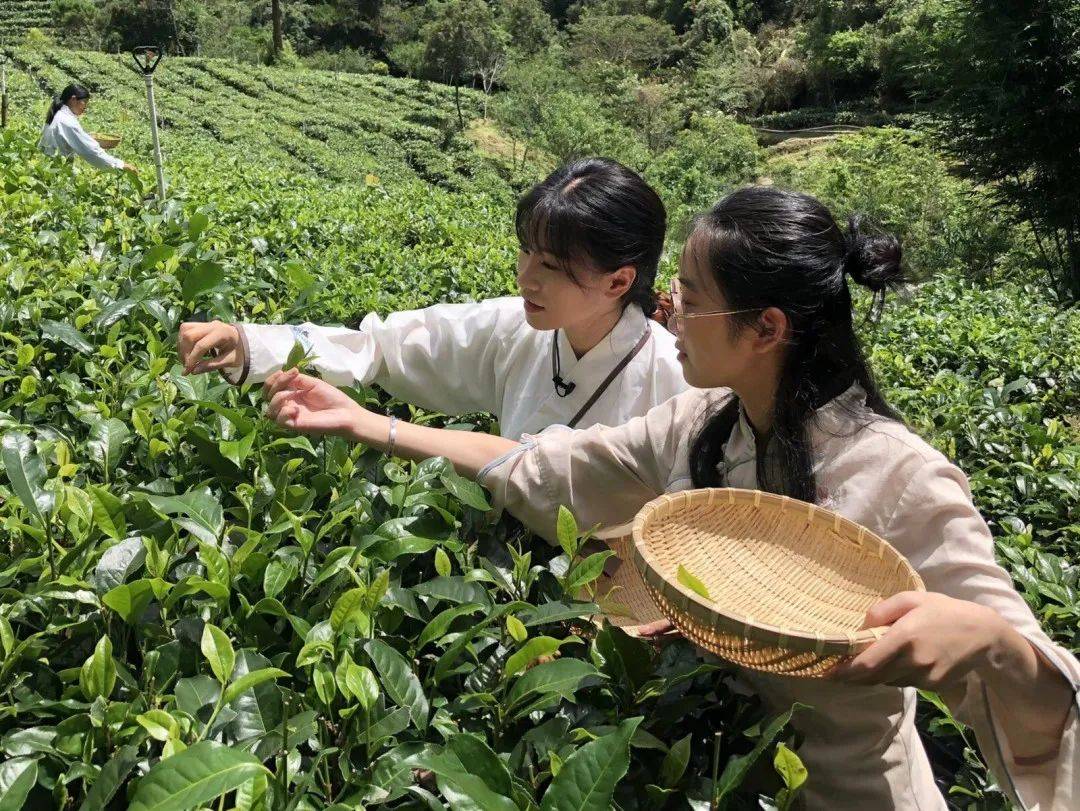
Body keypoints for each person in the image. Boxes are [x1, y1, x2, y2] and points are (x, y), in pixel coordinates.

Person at [258, 186, 1079, 809]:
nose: (666, 309)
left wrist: (988, 645)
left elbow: (1056, 715)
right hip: (712, 771)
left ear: (765, 328)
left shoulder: (901, 478)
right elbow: (544, 467)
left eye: (689, 293)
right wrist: (368, 424)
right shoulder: (698, 426)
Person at [179, 158, 687, 441]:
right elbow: (384, 346)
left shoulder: (676, 379)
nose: (525, 278)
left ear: (619, 282)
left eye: (551, 267)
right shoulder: (514, 328)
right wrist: (248, 343)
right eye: (525, 253)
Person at [38, 84, 137, 173]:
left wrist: (91, 139)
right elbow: (91, 151)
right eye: (84, 102)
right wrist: (120, 165)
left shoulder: (60, 114)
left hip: (47, 166)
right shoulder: (67, 122)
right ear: (73, 99)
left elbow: (75, 139)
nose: (86, 106)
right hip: (54, 171)